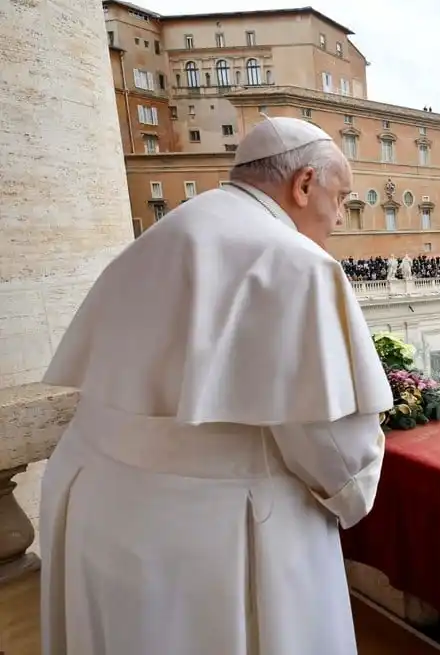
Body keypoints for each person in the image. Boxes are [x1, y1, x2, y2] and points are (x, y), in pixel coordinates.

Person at [39, 117, 391, 655]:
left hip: (102, 512)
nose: (339, 217)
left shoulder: (159, 236)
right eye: (340, 198)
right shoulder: (295, 261)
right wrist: (360, 479)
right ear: (303, 184)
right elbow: (332, 449)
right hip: (213, 541)